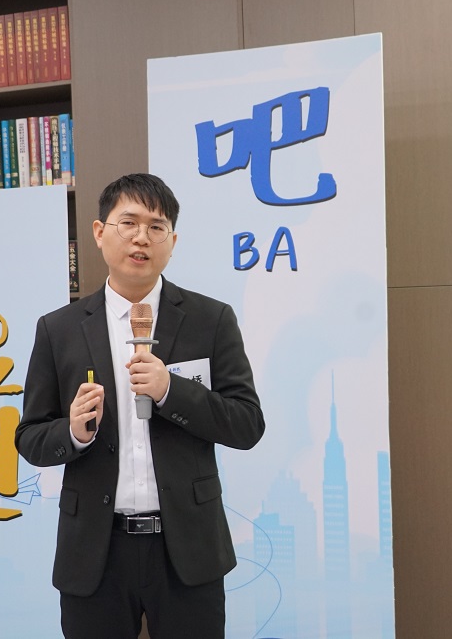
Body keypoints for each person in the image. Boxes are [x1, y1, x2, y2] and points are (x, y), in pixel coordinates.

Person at [15, 173, 265, 638]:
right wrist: (73, 432)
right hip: (96, 551)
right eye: (128, 222)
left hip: (187, 548)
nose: (141, 237)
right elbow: (29, 438)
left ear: (173, 241)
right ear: (99, 232)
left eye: (156, 226)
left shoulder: (211, 319)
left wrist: (171, 390)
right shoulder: (59, 329)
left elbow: (247, 424)